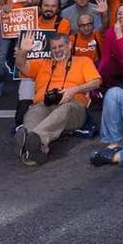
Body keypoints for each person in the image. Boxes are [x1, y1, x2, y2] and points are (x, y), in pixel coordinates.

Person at [14, 32, 101, 165]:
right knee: (33, 112)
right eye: (54, 48)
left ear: (69, 45)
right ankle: (33, 144)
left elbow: (96, 82)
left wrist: (74, 90)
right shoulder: (43, 63)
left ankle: (35, 139)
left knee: (65, 109)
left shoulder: (83, 61)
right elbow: (21, 65)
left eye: (61, 46)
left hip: (73, 106)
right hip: (44, 105)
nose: (57, 50)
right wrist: (23, 51)